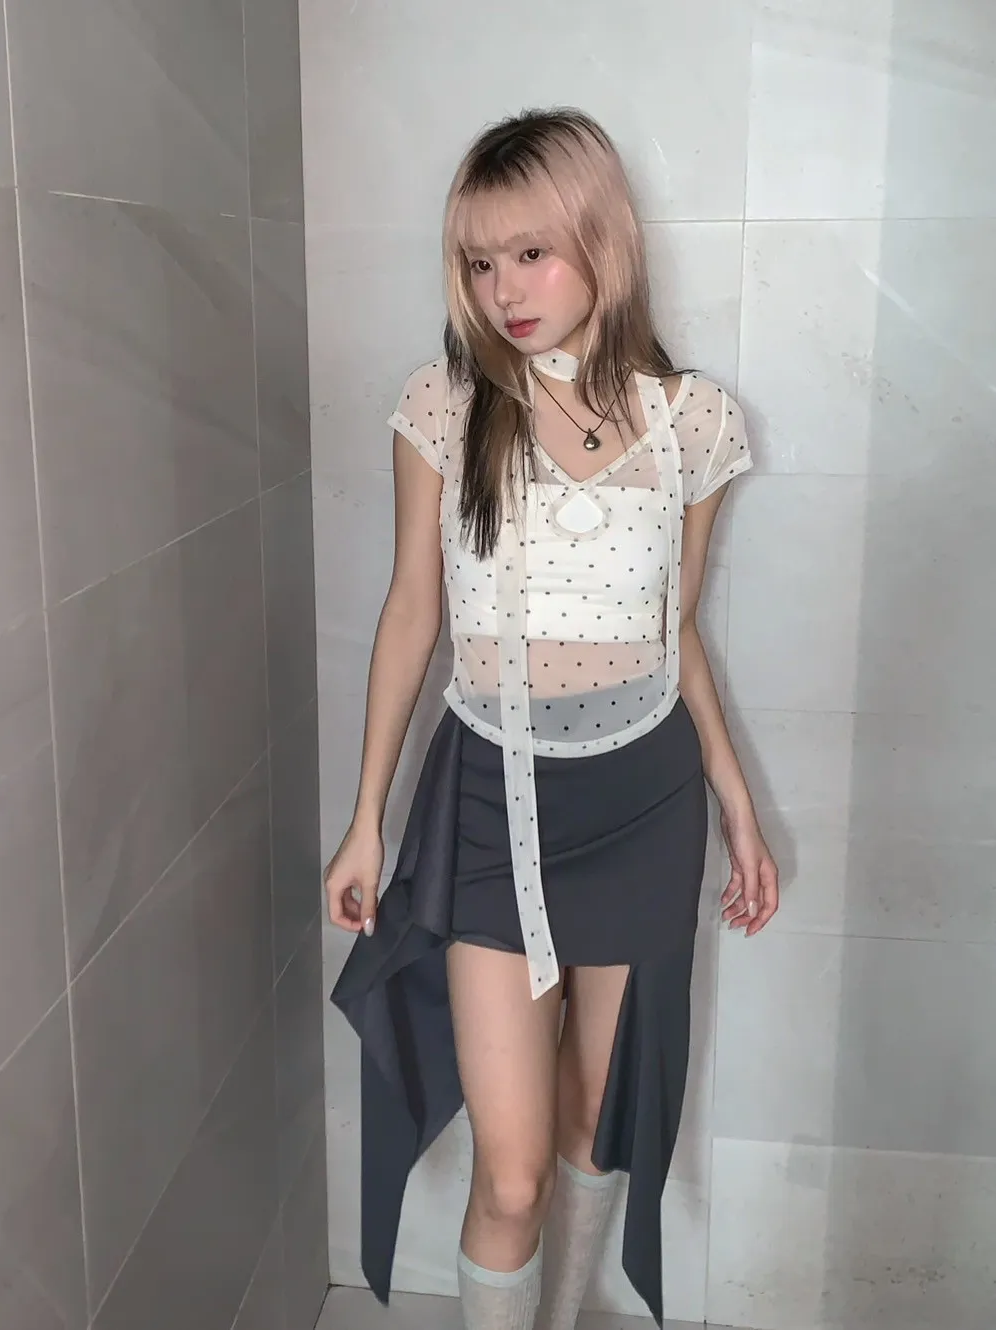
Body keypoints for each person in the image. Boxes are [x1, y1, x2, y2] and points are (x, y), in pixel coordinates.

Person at [325, 107, 779, 1330]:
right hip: (489, 803)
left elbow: (674, 630)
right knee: (511, 1168)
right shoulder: (445, 405)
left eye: (530, 252)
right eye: (479, 261)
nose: (503, 290)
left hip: (644, 804)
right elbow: (410, 613)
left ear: (601, 238)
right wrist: (366, 817)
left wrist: (736, 807)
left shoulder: (690, 421)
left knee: (589, 1123)